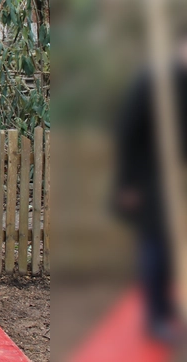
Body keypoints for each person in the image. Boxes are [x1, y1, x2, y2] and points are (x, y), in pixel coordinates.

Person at [114, 31, 187, 343]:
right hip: (151, 179)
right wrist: (128, 182)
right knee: (155, 246)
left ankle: (168, 303)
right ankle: (155, 315)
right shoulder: (153, 81)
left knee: (174, 248)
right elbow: (127, 131)